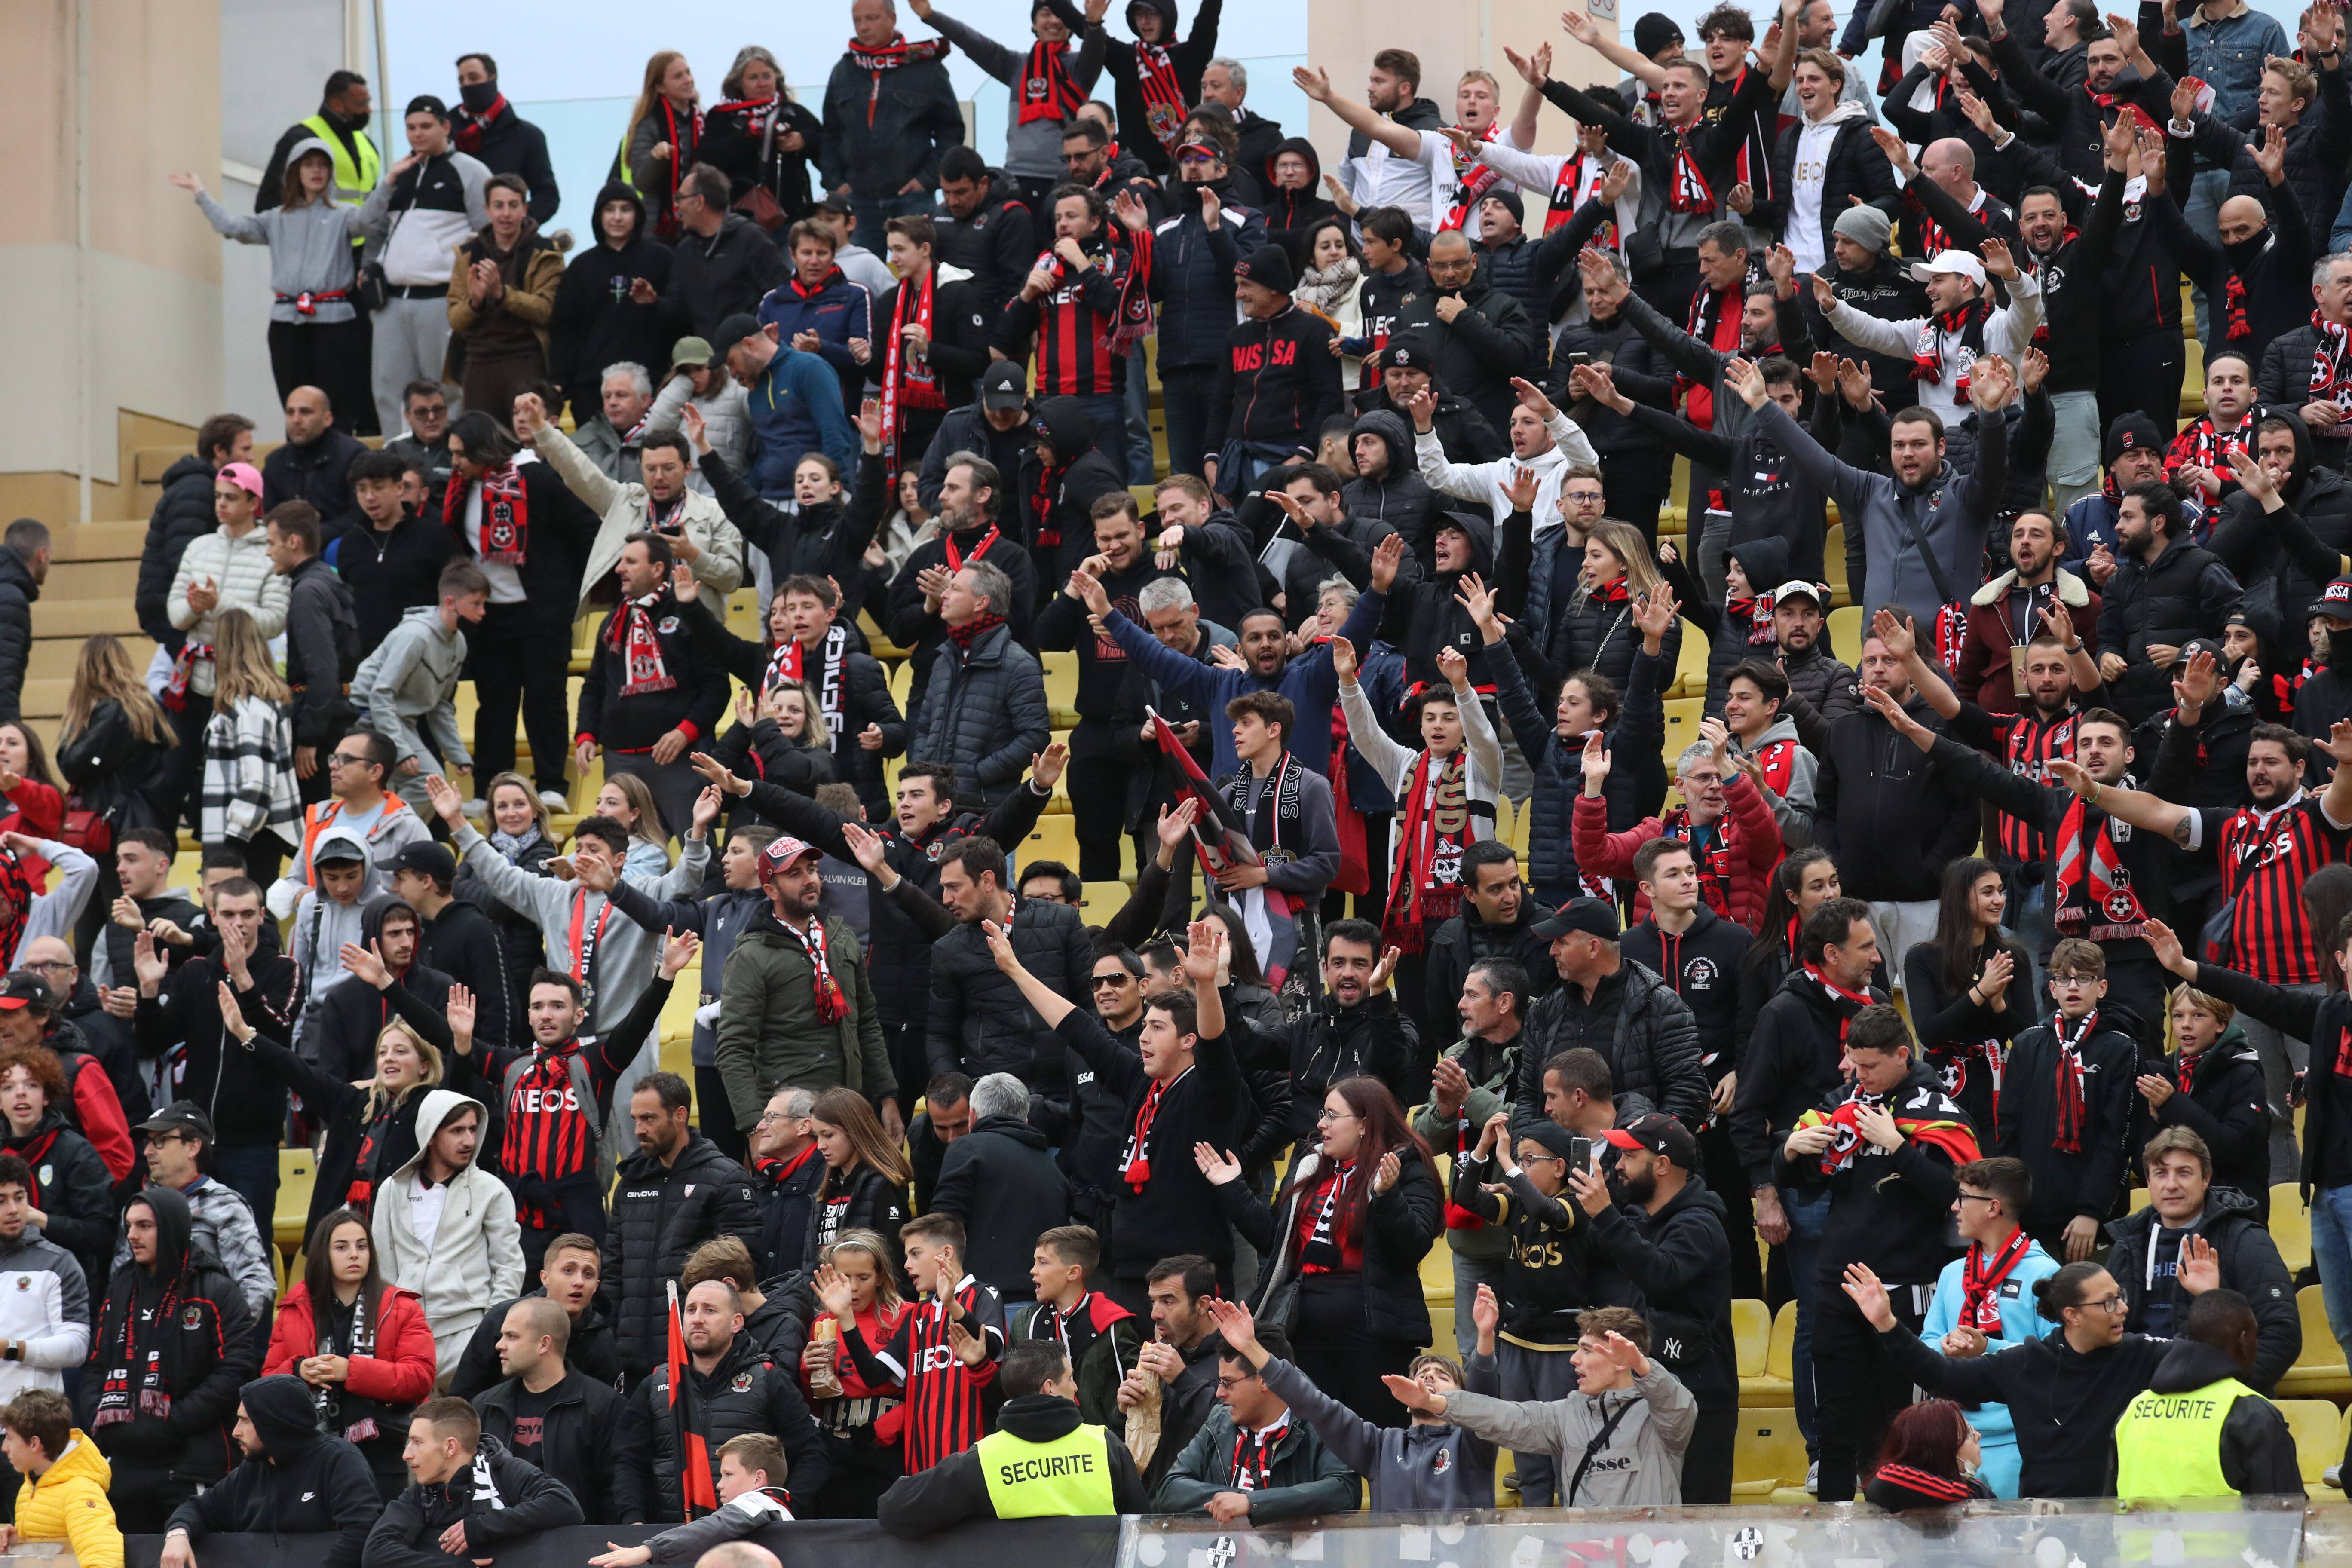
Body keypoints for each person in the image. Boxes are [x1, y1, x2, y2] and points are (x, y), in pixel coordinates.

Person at [1777, 1003, 1983, 1502]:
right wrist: (1791, 1150)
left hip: (1904, 1282)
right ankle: (1833, 1518)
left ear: (1902, 1056)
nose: (1859, 1076)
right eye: (1853, 1063)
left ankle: (1897, 1517)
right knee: (1834, 1416)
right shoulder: (1840, 1102)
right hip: (1838, 1280)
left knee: (1897, 1417)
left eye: (1870, 1066)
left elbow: (1955, 1195)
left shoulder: (1937, 1109)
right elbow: (1800, 1184)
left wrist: (1898, 1146)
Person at [1201, 1073, 1441, 1429]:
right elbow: (1276, 1242)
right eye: (1322, 1114)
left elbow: (1414, 1246)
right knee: (1319, 1441)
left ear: (1364, 1124)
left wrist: (1388, 1197)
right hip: (1306, 1330)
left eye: (1332, 1115)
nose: (1321, 1124)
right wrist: (1232, 1189)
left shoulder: (1405, 1166)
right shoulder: (1311, 1165)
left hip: (1372, 1332)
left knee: (1381, 1439)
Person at [1847, 1256, 2175, 1496]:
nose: (2122, 1309)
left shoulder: (2140, 1353)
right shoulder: (2025, 1363)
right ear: (2072, 1315)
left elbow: (2206, 1358)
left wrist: (2207, 1296)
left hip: (2118, 1521)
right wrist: (1887, 1323)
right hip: (2046, 1529)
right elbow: (1938, 1374)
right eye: (2108, 1302)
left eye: (2120, 1297)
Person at [440, 415, 599, 811]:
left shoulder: (537, 479)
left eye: (462, 454)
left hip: (540, 613)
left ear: (482, 451)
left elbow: (585, 529)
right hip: (489, 616)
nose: (455, 462)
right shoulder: (460, 489)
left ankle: (551, 786)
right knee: (494, 702)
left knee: (546, 698)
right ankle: (490, 789)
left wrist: (568, 592)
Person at [1388, 1303, 1695, 1507]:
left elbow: (1677, 1405)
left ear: (1620, 1360)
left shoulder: (1661, 1416)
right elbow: (1507, 1417)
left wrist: (1642, 1367)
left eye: (1587, 1351)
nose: (1574, 1359)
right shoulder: (1569, 1412)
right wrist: (1436, 1402)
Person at [78, 1185, 258, 1530]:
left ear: (172, 1226)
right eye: (129, 1226)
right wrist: (100, 1420)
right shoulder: (120, 1288)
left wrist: (175, 1421)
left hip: (191, 1465)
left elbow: (237, 1371)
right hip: (122, 1466)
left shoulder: (216, 1290)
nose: (132, 1235)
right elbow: (95, 1366)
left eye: (145, 1226)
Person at [172, 159, 371, 429]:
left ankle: (341, 458)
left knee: (338, 401)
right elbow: (232, 227)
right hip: (287, 322)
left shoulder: (344, 215)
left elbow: (370, 220)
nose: (317, 171)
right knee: (295, 403)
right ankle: (299, 461)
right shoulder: (276, 218)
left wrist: (392, 182)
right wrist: (200, 193)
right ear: (295, 173)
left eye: (323, 166)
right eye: (310, 166)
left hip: (335, 321)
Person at [612, 1276, 828, 1522]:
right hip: (669, 1537)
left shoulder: (768, 1379)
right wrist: (634, 1521)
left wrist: (783, 1509)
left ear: (736, 1323)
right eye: (691, 1310)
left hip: (750, 1536)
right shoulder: (656, 1384)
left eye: (710, 1310)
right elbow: (628, 1460)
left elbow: (813, 1453)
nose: (697, 1319)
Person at [2103, 1123, 2300, 1390]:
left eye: (2184, 1173)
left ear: (2206, 1179)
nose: (2171, 1185)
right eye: (2160, 1174)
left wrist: (2227, 1394)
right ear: (2148, 1182)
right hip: (2141, 1402)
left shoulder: (2245, 1239)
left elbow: (2282, 1333)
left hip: (2215, 1399)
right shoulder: (2128, 1243)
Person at [1914, 1157, 2061, 1498]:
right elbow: (1928, 1343)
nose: (1954, 1207)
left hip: (2019, 1440)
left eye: (1963, 1198)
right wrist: (1948, 1346)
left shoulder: (2046, 1274)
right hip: (1954, 1444)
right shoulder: (1952, 1273)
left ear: (1993, 1208)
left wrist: (1988, 1350)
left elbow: (2058, 1356)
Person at [263, 1211, 436, 1499]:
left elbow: (419, 1378)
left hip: (384, 1452)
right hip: (311, 1455)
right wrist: (299, 1371)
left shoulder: (402, 1307)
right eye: (342, 1247)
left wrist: (351, 1372)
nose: (354, 1255)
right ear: (323, 1253)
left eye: (362, 1246)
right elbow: (266, 1386)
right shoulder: (294, 1310)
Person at [603, 1071, 763, 1382]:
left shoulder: (725, 1179)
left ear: (679, 1116)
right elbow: (613, 1269)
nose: (639, 1130)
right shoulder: (631, 1181)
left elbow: (744, 1272)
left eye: (649, 1119)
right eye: (635, 1119)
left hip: (697, 1359)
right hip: (631, 1360)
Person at [1994, 939, 2141, 1259]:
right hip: (2030, 1214)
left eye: (2084, 979)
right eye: (2064, 979)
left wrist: (2092, 1211)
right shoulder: (2027, 1044)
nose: (2073, 987)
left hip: (2091, 1217)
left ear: (2101, 988)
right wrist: (2010, 1203)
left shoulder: (2121, 1048)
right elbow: (2009, 1130)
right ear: (2053, 988)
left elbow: (2117, 1138)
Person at [162, 460, 289, 825]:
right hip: (195, 680)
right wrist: (193, 606)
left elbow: (275, 621)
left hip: (243, 682)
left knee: (230, 776)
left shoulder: (269, 552)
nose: (221, 505)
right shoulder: (199, 547)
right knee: (174, 771)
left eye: (231, 498)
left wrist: (219, 605)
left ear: (254, 504)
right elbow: (174, 615)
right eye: (218, 496)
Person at [363, 1089, 521, 1380]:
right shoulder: (392, 1190)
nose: (469, 1141)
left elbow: (509, 1268)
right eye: (457, 1130)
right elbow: (383, 1269)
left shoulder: (492, 1190)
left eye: (473, 1129)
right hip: (408, 1336)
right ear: (431, 1134)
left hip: (469, 1333)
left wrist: (490, 1332)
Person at [358, 97, 490, 436]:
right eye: (411, 127)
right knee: (389, 389)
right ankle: (397, 463)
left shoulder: (470, 171)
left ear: (446, 127)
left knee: (447, 388)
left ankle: (453, 461)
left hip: (440, 298)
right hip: (391, 301)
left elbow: (485, 234)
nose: (417, 134)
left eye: (426, 127)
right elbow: (368, 226)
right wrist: (388, 181)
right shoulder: (399, 173)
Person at [157, 1375, 380, 1568]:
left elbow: (362, 1531)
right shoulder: (252, 1468)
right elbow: (200, 1508)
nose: (236, 1432)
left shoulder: (339, 1460)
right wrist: (178, 1535)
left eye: (245, 1421)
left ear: (273, 1424)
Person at [1152, 1315, 1358, 1521]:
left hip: (1294, 1551)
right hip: (1226, 1550)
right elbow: (1170, 1488)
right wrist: (1242, 1500)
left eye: (1228, 1383)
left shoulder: (1321, 1421)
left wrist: (1255, 1504)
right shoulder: (1220, 1420)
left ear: (1266, 1380)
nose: (1219, 1394)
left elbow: (1345, 1489)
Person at [2111, 1287, 2304, 1498]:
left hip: (2136, 1533)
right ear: (2244, 1340)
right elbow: (2285, 1514)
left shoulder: (2133, 1411)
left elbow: (2106, 1507)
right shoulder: (2252, 1413)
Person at [363, 1396, 582, 1568]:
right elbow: (377, 1553)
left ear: (450, 1447)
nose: (407, 1455)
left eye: (417, 1442)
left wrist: (479, 1528)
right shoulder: (421, 1494)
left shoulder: (504, 1471)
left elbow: (565, 1504)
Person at [474, 1297, 625, 1524]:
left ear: (544, 1344)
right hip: (500, 1545)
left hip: (575, 1547)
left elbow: (615, 1492)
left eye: (512, 1336)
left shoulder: (603, 1405)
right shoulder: (485, 1406)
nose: (499, 1344)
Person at [929, 1075, 1070, 1302]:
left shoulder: (965, 1148)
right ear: (1026, 1121)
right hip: (1039, 1312)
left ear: (972, 1117)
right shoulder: (1054, 1171)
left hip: (981, 1306)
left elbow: (944, 1227)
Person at [2140, 983, 2272, 1225]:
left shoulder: (2244, 1073)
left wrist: (2172, 1104)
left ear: (2221, 1024)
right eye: (2178, 1016)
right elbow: (2146, 1159)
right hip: (2173, 1213)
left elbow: (2234, 1146)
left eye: (2198, 1015)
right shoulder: (2163, 1073)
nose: (2186, 1025)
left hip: (2234, 1214)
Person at [446, 175, 560, 429]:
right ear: (487, 210)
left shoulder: (545, 252)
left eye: (513, 205)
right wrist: (475, 302)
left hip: (525, 359)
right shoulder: (467, 254)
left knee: (528, 441)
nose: (506, 214)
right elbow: (455, 318)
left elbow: (546, 311)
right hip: (478, 363)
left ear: (525, 209)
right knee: (481, 445)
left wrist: (503, 294)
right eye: (499, 206)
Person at [447, 1233, 621, 1401]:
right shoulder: (503, 1318)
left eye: (588, 1274)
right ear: (545, 1278)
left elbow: (608, 1411)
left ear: (597, 1286)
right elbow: (464, 1396)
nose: (579, 1282)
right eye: (568, 1271)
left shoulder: (601, 1340)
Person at [0, 1047, 113, 1299]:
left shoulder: (76, 1152)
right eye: (8, 1088)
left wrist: (39, 1219)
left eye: (31, 1085)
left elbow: (102, 1233)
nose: (20, 1093)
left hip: (65, 1284)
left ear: (47, 1096)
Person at [0, 1150, 86, 1405]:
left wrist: (10, 1348)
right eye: (1, 1201)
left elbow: (76, 1347)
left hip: (31, 1429)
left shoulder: (58, 1263)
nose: (14, 1210)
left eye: (20, 1198)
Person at [0, 1389, 119, 1568]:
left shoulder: (81, 1492)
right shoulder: (31, 1485)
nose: (4, 1448)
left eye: (10, 1439)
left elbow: (105, 1561)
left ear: (34, 1443)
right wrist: (18, 1541)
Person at [452, 53, 557, 217]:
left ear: (493, 78)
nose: (467, 85)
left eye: (474, 78)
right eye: (462, 80)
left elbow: (547, 195)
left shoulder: (527, 136)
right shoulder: (446, 133)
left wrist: (517, 226)